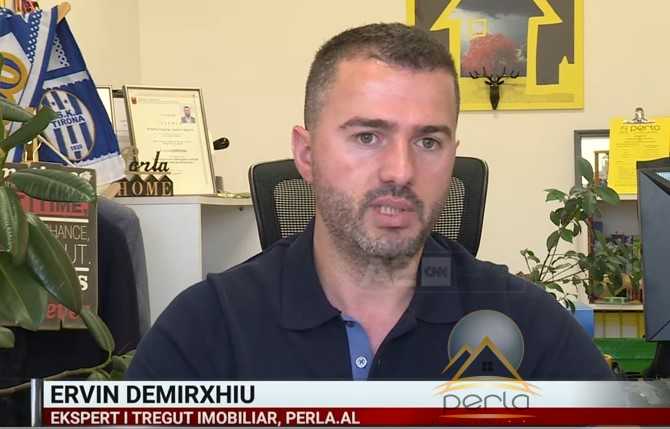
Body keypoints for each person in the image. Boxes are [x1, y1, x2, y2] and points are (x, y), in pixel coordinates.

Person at [127, 23, 613, 381]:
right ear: (306, 154)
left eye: (428, 141)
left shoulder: (524, 325)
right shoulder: (207, 329)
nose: (400, 171)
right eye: (367, 136)